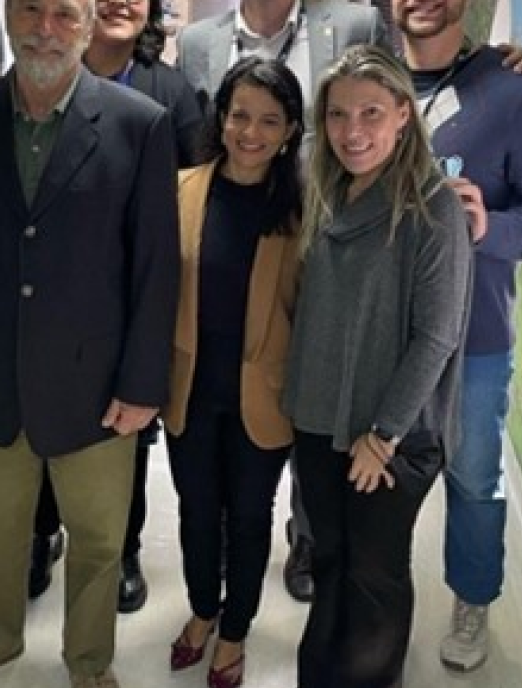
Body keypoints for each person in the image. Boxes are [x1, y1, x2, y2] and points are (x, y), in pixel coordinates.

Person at [0, 0, 180, 688]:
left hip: (96, 383)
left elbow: (155, 267)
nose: (46, 27)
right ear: (8, 16)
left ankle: (88, 660)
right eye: (31, 8)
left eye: (66, 13)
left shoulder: (139, 124)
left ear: (89, 27)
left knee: (97, 539)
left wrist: (143, 384)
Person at [176, 0, 389, 603]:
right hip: (243, 244)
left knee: (314, 400)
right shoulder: (198, 43)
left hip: (329, 246)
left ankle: (306, 536)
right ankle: (224, 561)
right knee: (251, 391)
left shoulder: (355, 26)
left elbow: (396, 102)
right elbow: (198, 146)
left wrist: (500, 59)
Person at [390, 0, 522, 674]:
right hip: (381, 332)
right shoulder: (371, 82)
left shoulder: (516, 92)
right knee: (372, 468)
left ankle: (472, 600)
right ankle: (373, 596)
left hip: (474, 336)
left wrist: (488, 229)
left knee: (472, 475)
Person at [284, 43, 474, 688]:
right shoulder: (327, 190)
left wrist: (382, 435)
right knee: (329, 559)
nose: (352, 131)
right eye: (338, 115)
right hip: (319, 421)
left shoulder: (432, 206)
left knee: (373, 577)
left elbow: (436, 337)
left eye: (370, 112)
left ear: (402, 114)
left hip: (390, 438)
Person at [27, 0, 202, 613]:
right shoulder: (44, 80)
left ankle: (121, 547)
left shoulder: (170, 91)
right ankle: (43, 532)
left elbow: (193, 190)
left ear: (151, 6)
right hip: (53, 287)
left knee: (127, 425)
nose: (122, 0)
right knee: (44, 413)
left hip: (133, 291)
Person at [163, 56, 304, 688]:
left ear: (290, 131)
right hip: (190, 389)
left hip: (265, 396)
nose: (251, 132)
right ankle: (202, 611)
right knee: (197, 509)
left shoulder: (304, 209)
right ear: (220, 117)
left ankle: (236, 631)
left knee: (249, 517)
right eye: (240, 115)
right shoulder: (181, 191)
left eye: (269, 120)